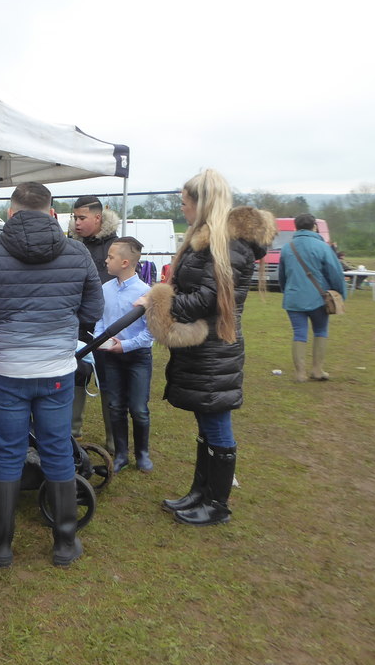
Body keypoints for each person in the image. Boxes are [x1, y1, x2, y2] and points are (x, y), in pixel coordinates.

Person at [0, 182, 103, 567]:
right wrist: (64, 331)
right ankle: (65, 544)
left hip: (5, 369)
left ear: (11, 211)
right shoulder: (76, 252)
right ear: (52, 212)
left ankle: (2, 546)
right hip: (56, 368)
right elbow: (94, 307)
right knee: (57, 450)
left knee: (7, 451)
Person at [136, 170, 275, 527]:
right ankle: (200, 493)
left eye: (184, 202)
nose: (181, 207)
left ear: (202, 203)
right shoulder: (208, 241)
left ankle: (217, 504)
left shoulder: (226, 246)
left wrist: (158, 300)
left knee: (216, 422)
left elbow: (210, 299)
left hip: (214, 351)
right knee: (206, 421)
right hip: (204, 349)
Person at [97, 237, 155, 473]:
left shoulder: (146, 293)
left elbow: (150, 333)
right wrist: (101, 341)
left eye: (110, 257)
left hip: (137, 358)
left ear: (125, 262)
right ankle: (121, 454)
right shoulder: (105, 289)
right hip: (111, 357)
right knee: (115, 405)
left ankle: (142, 453)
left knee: (139, 408)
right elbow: (100, 320)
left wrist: (126, 345)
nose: (106, 260)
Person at [70, 196, 120, 445]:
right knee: (76, 375)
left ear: (98, 217)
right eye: (74, 218)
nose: (76, 223)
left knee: (108, 380)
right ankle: (72, 432)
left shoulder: (118, 246)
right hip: (77, 324)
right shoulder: (69, 245)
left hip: (108, 325)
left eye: (82, 218)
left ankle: (114, 440)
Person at [278, 213, 348, 382]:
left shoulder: (288, 247)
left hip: (294, 298)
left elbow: (282, 276)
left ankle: (300, 373)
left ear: (296, 227)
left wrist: (286, 291)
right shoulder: (323, 247)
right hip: (319, 298)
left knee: (299, 333)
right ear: (315, 226)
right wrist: (340, 294)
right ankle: (317, 370)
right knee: (321, 331)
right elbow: (335, 273)